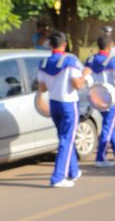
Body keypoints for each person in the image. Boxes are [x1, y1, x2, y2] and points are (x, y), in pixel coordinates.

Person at [37, 31, 91, 187]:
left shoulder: (44, 63)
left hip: (54, 104)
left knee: (65, 138)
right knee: (66, 140)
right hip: (68, 104)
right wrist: (86, 74)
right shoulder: (69, 61)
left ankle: (73, 171)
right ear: (65, 44)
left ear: (51, 45)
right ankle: (58, 177)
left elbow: (42, 87)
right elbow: (78, 84)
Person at [84, 36, 115, 167]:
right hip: (111, 99)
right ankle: (100, 158)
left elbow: (85, 76)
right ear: (110, 46)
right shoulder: (112, 61)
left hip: (95, 98)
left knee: (109, 125)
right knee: (108, 127)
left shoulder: (90, 59)